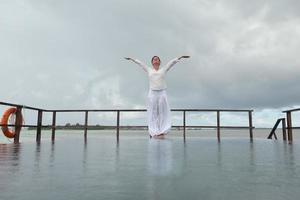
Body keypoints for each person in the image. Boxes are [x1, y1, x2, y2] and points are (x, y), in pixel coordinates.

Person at [124, 55, 190, 139]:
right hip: (152, 93)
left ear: (159, 62)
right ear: (152, 62)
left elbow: (171, 63)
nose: (156, 60)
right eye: (154, 59)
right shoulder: (149, 70)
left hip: (162, 92)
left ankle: (162, 131)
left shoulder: (163, 69)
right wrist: (132, 59)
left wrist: (180, 57)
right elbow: (141, 64)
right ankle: (154, 131)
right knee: (153, 112)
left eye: (157, 59)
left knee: (163, 111)